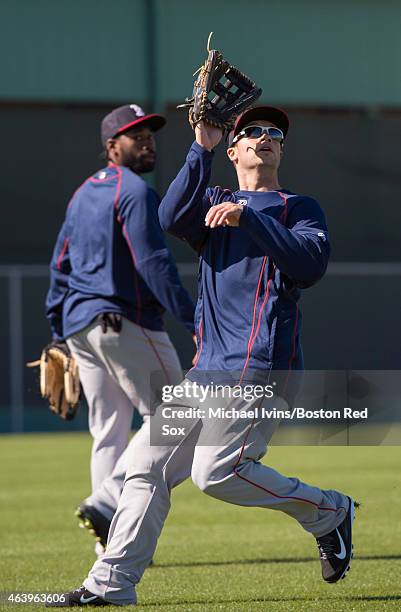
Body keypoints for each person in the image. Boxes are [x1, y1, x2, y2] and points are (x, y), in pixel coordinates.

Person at [48, 106, 356, 607]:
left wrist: (250, 217)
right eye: (252, 131)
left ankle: (330, 512)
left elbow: (307, 264)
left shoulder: (300, 208)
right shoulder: (213, 201)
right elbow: (170, 217)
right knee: (144, 467)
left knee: (217, 473)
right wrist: (201, 147)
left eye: (275, 133)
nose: (266, 137)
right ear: (234, 150)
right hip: (206, 373)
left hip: (258, 367)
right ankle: (109, 588)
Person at [45, 104, 195, 551]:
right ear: (112, 147)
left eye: (149, 132)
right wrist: (192, 319)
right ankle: (109, 500)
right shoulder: (134, 191)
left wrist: (58, 329)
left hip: (81, 328)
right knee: (184, 420)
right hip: (124, 322)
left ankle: (108, 546)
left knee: (109, 430)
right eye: (135, 134)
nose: (147, 140)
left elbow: (60, 265)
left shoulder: (82, 194)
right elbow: (153, 261)